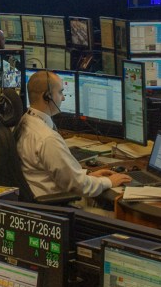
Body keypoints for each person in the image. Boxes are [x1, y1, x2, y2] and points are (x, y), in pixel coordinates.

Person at [17, 71, 128, 203]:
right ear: (47, 96)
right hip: (55, 208)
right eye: (60, 92)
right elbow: (77, 185)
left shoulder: (26, 121)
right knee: (111, 217)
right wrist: (108, 182)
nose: (63, 98)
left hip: (41, 200)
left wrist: (88, 175)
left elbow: (65, 176)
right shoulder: (47, 138)